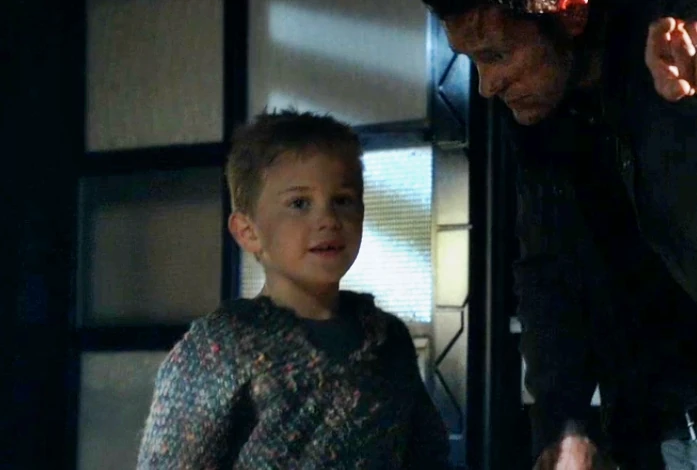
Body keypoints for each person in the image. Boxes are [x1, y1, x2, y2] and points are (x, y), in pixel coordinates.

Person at [420, 0, 697, 468]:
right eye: (474, 61)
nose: (486, 86)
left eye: (497, 55)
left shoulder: (671, 54)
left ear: (571, 14)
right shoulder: (544, 121)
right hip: (649, 423)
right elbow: (547, 270)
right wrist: (563, 424)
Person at [136, 109, 450, 469]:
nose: (328, 220)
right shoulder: (222, 347)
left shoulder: (388, 342)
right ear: (248, 232)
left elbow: (428, 459)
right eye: (299, 204)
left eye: (342, 200)